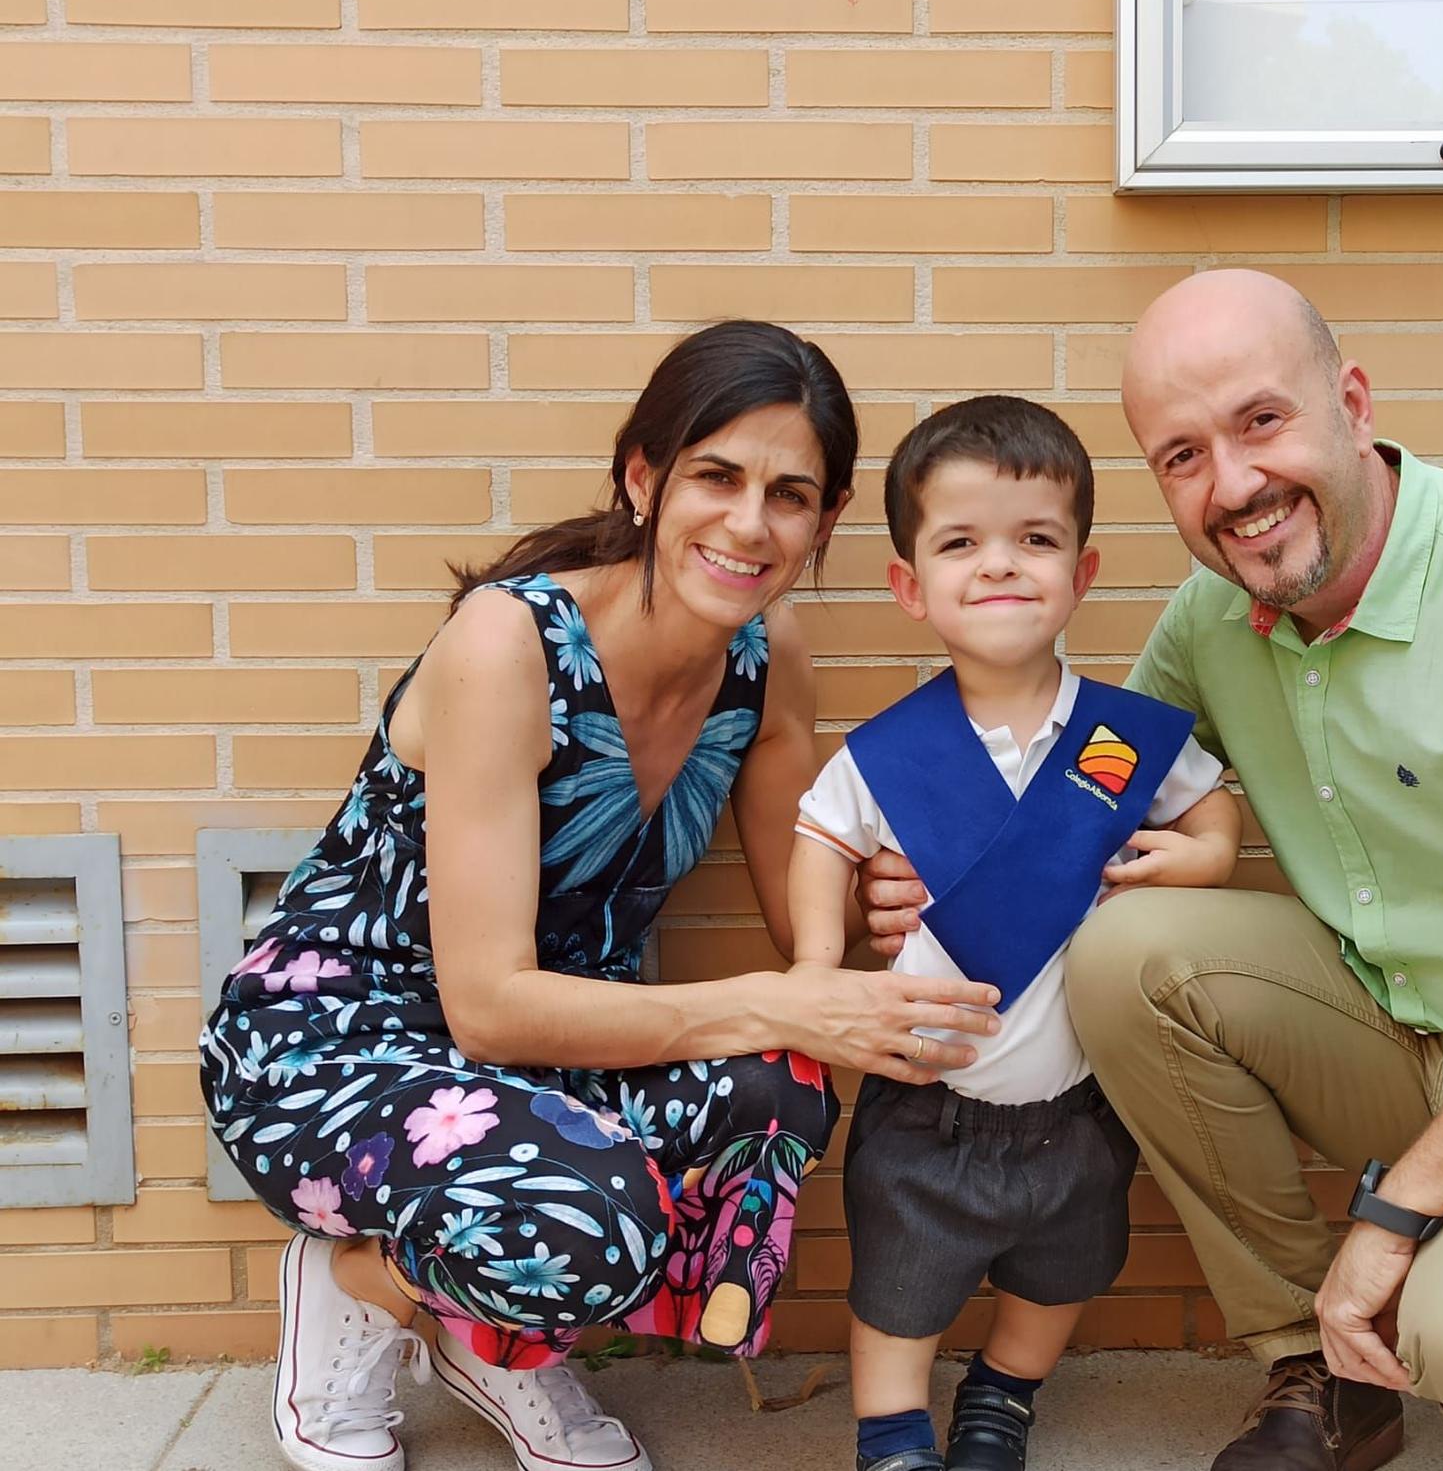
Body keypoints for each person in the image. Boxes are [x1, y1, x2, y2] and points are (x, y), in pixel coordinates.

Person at [862, 272, 1443, 1471]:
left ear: (1350, 403)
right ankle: (1317, 1360)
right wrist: (925, 872)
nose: (1233, 487)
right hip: (1398, 1026)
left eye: (1261, 422)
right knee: (1126, 955)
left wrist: (1393, 1217)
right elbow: (1070, 810)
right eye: (1182, 455)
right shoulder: (1209, 620)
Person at [199, 321, 1006, 1471]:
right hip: (338, 1048)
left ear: (823, 525)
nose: (747, 523)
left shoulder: (770, 652)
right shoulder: (508, 644)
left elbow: (800, 926)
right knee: (595, 1227)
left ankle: (493, 1334)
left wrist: (880, 904)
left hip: (551, 1059)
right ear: (643, 477)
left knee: (782, 1089)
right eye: (716, 476)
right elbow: (484, 1007)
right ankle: (361, 1282)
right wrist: (784, 1003)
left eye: (789, 494)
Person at [790, 397, 1241, 1471]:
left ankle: (1002, 1394)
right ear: (910, 587)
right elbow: (818, 832)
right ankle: (892, 1431)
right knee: (898, 1284)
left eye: (1035, 539)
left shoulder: (1117, 739)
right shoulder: (889, 751)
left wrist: (1204, 855)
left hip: (1075, 1104)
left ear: (1082, 573)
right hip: (923, 1101)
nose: (1000, 566)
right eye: (960, 543)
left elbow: (1210, 800)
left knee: (1061, 1272)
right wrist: (814, 967)